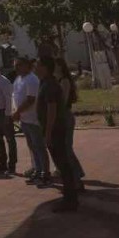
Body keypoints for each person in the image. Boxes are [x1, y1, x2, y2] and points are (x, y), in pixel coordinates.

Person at [36, 56, 78, 212]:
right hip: (54, 129)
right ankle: (70, 197)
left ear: (45, 68)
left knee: (62, 164)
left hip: (56, 130)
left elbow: (52, 110)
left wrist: (47, 132)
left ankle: (70, 200)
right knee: (62, 163)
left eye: (38, 65)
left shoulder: (50, 85)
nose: (35, 68)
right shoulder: (46, 83)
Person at [12, 57, 50, 186]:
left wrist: (17, 112)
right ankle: (38, 170)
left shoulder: (32, 79)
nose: (16, 68)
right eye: (15, 65)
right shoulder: (18, 79)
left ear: (27, 65)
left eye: (19, 65)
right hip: (24, 119)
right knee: (32, 147)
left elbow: (30, 99)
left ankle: (45, 173)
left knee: (39, 146)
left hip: (33, 119)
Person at [55, 58, 85, 191]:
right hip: (61, 116)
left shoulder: (65, 81)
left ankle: (77, 178)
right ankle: (76, 175)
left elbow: (63, 101)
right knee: (65, 149)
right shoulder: (57, 81)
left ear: (60, 67)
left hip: (65, 116)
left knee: (67, 149)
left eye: (55, 66)